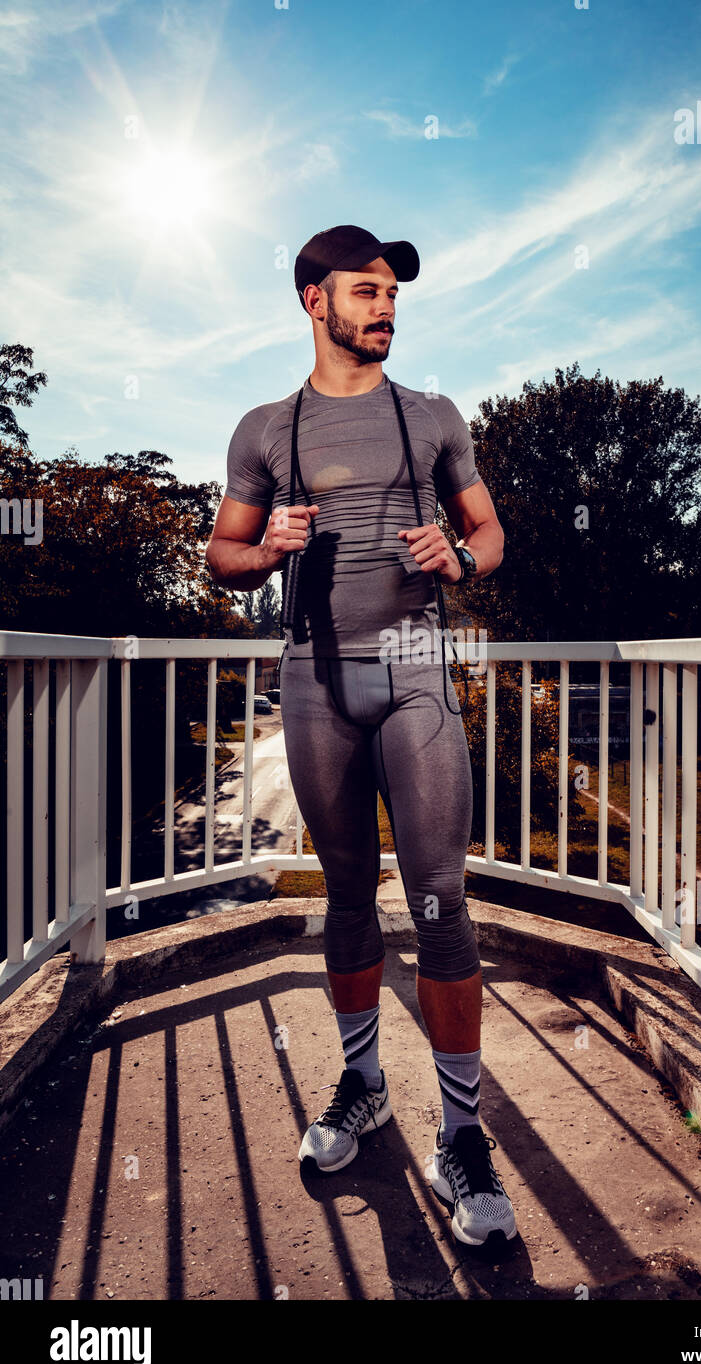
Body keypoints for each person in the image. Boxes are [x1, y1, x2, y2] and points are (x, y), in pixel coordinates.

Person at [205, 224, 516, 1248]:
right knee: (345, 895)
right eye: (366, 291)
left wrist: (459, 559)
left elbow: (489, 532)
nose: (385, 308)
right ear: (313, 300)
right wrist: (268, 546)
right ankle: (363, 1083)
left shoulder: (430, 416)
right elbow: (221, 552)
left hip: (417, 680)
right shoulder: (265, 428)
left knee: (439, 901)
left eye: (392, 294)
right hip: (314, 684)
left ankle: (461, 1134)